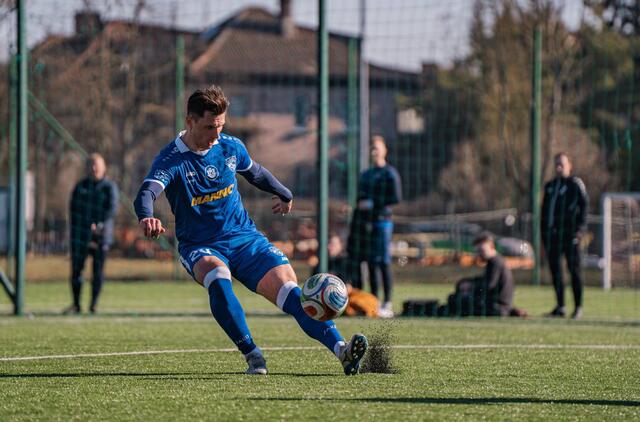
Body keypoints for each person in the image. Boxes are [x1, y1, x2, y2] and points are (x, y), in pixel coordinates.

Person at [133, 85, 367, 375]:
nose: (216, 134)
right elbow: (147, 192)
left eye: (221, 125)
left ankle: (342, 350)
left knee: (289, 289)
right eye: (209, 127)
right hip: (200, 244)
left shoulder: (230, 147)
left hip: (244, 237)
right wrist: (146, 217)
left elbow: (255, 172)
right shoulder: (171, 159)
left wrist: (283, 192)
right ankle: (253, 355)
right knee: (217, 276)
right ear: (190, 121)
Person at [350, 136, 402, 318]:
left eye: (377, 148)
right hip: (365, 223)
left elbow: (395, 197)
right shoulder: (366, 174)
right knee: (370, 262)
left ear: (385, 150)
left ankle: (387, 302)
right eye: (372, 148)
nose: (374, 151)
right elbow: (360, 196)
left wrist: (373, 203)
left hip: (382, 222)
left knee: (383, 261)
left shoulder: (390, 173)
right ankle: (373, 301)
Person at [65, 153, 119, 314]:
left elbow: (112, 209)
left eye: (97, 165)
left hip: (102, 236)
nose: (94, 168)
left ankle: (93, 305)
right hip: (81, 236)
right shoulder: (80, 187)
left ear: (104, 168)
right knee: (77, 270)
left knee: (98, 272)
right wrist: (82, 227)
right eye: (91, 165)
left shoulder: (109, 187)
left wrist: (99, 225)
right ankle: (76, 304)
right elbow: (73, 209)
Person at [541, 152, 588, 319]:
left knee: (574, 270)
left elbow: (584, 206)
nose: (559, 167)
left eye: (562, 164)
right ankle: (560, 306)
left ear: (570, 165)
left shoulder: (575, 184)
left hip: (570, 235)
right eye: (556, 164)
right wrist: (544, 234)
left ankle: (578, 307)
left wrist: (579, 230)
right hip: (553, 236)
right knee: (556, 271)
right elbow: (544, 212)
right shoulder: (550, 186)